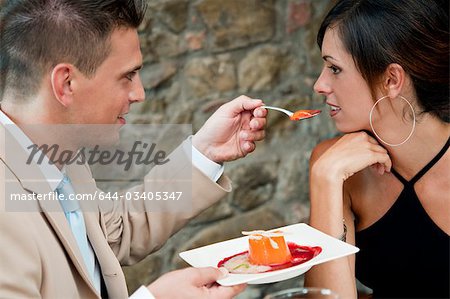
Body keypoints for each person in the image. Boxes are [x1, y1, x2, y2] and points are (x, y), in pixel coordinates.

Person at [0, 1, 268, 298]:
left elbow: (110, 232)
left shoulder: (59, 151)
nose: (139, 94)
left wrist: (205, 152)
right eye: (127, 76)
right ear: (66, 83)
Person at [304, 0, 449, 298]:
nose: (320, 84)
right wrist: (326, 178)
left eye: (334, 68)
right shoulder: (335, 164)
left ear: (391, 79)